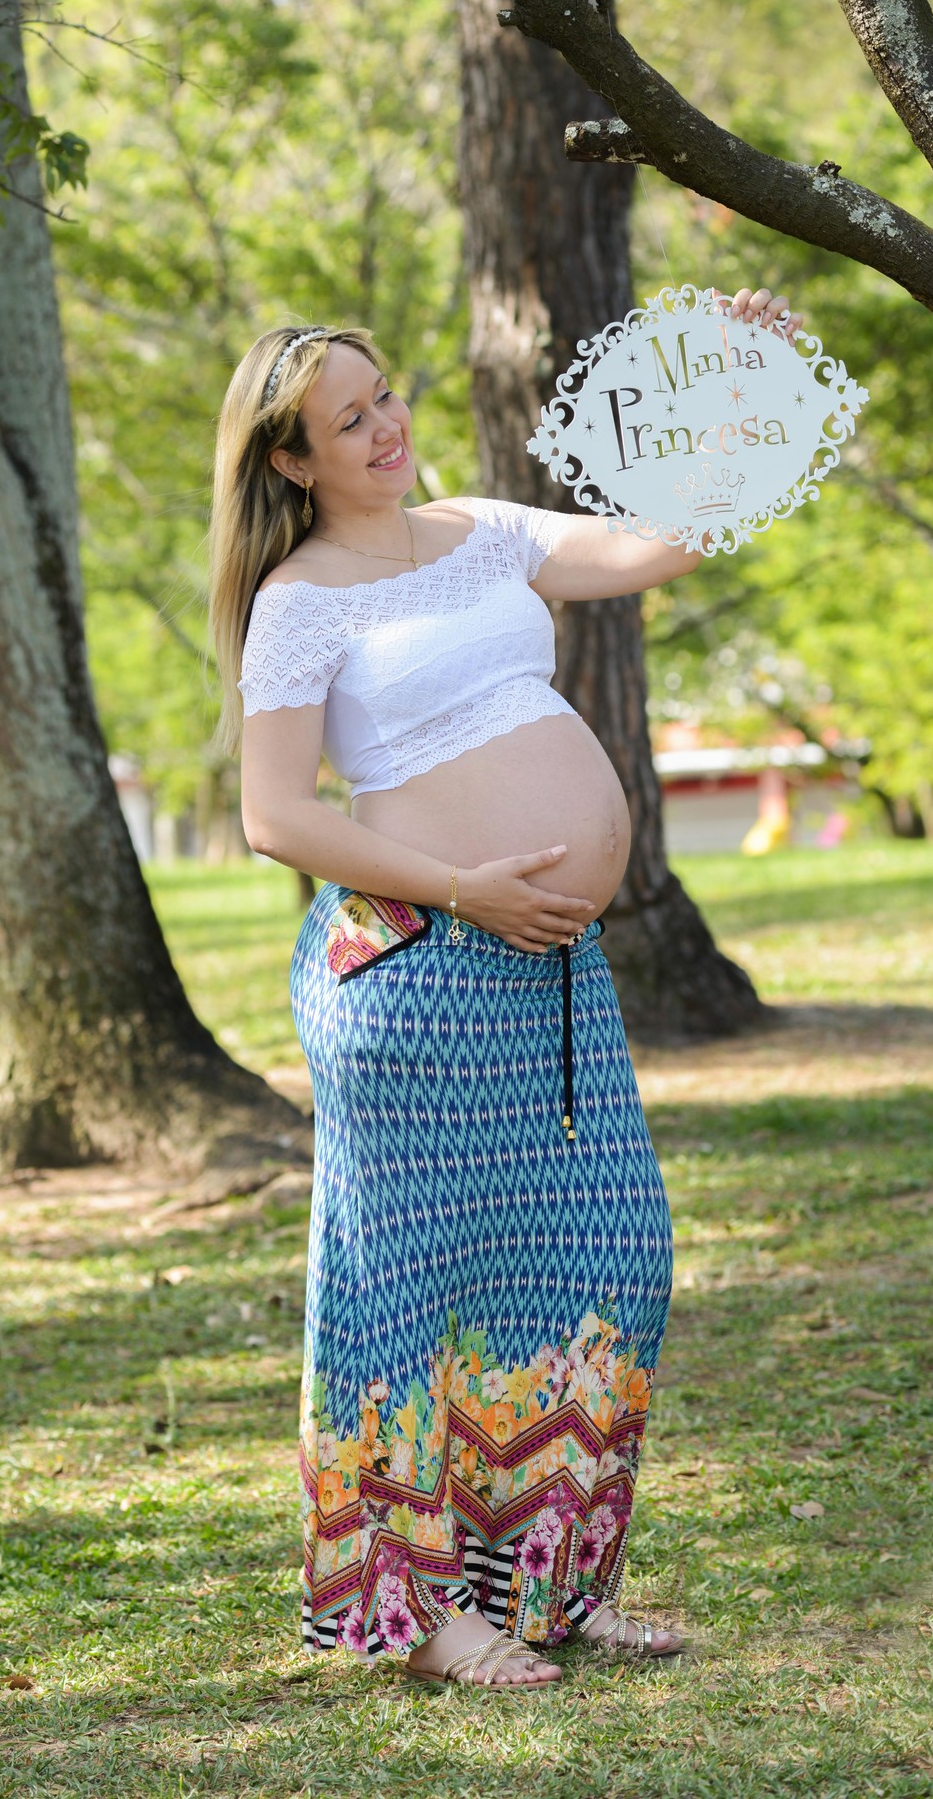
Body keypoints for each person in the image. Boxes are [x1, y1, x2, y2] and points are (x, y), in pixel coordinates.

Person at [207, 287, 801, 1691]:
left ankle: (551, 1584)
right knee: (412, 1293)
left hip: (547, 971)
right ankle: (424, 1616)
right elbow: (276, 817)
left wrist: (739, 382)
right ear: (291, 460)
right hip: (415, 973)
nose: (386, 426)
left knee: (608, 1258)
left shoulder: (484, 530)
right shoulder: (298, 605)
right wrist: (461, 885)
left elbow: (661, 541)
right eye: (347, 419)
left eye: (386, 395)